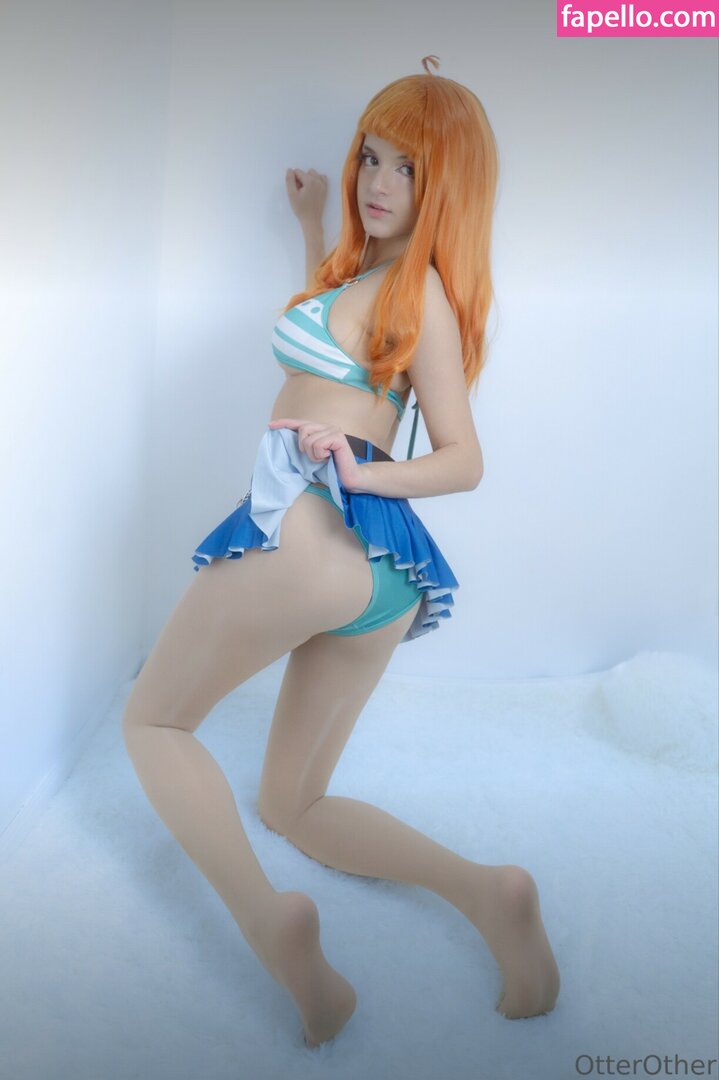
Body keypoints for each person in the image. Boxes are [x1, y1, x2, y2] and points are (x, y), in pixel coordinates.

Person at [122, 55, 560, 1049]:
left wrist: (360, 475)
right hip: (381, 576)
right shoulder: (375, 283)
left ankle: (268, 924)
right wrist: (312, 222)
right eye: (371, 156)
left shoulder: (423, 296)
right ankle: (487, 893)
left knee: (153, 721)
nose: (378, 181)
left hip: (319, 530)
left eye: (407, 168)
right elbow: (331, 329)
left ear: (446, 189)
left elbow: (464, 459)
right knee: (294, 802)